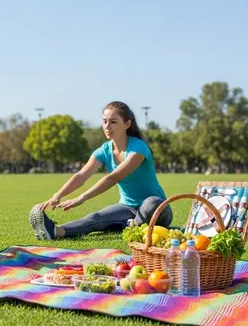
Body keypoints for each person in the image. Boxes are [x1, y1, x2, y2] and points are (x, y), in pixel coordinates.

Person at [29, 101, 172, 240]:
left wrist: (81, 198)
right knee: (95, 218)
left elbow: (113, 178)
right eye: (104, 121)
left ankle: (131, 224)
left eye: (113, 122)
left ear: (127, 124)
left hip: (158, 210)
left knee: (152, 203)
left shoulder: (138, 148)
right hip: (127, 207)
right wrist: (57, 195)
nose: (107, 126)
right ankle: (55, 231)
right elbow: (81, 175)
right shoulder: (104, 150)